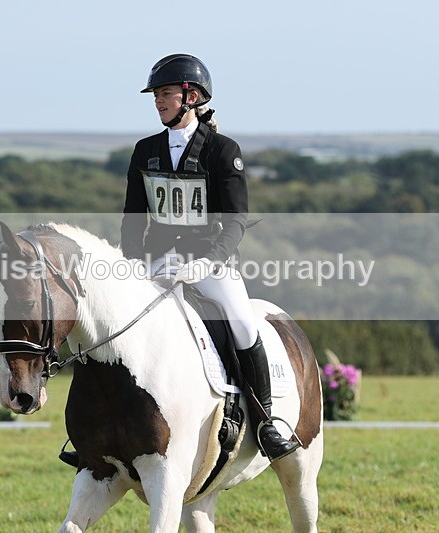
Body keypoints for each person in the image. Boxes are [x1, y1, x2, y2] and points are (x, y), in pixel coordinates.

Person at [119, 53, 296, 461]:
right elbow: (132, 217)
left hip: (209, 263)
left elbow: (236, 219)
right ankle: (98, 431)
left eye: (166, 94)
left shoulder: (221, 150)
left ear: (191, 96)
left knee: (242, 324)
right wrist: (131, 263)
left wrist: (209, 261)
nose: (158, 101)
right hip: (157, 263)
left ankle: (266, 420)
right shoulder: (145, 151)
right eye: (156, 95)